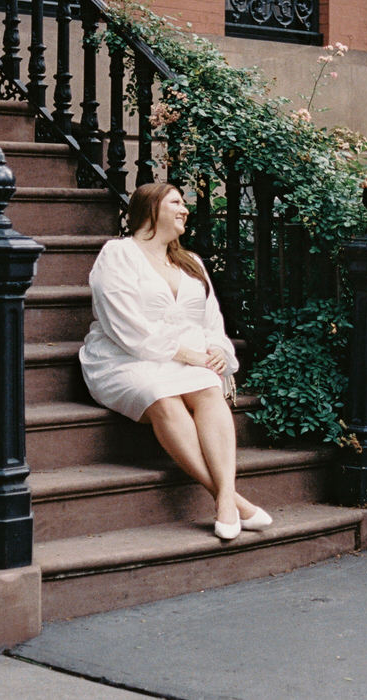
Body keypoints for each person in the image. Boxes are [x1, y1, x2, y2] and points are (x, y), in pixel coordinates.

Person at [79, 182, 272, 540]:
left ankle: (226, 500)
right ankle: (232, 501)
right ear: (151, 208)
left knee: (209, 390)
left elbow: (211, 322)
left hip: (186, 359)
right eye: (176, 202)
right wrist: (188, 354)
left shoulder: (191, 262)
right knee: (161, 394)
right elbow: (125, 326)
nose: (185, 209)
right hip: (124, 359)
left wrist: (217, 351)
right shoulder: (118, 254)